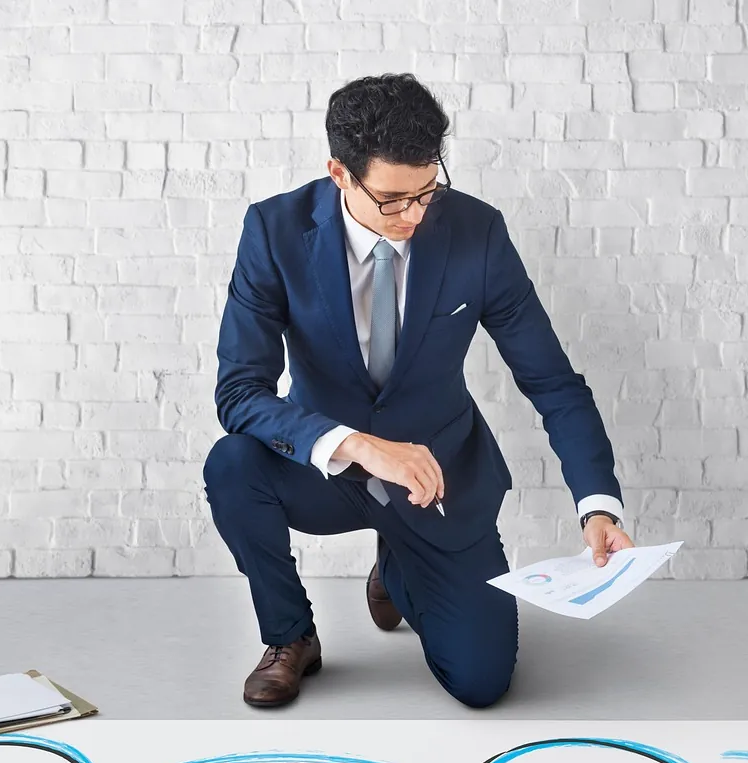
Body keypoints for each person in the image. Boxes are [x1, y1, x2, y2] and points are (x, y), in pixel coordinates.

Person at [204, 73, 634, 709]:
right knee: (232, 465)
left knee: (483, 683)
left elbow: (552, 382)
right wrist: (361, 445)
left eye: (427, 192)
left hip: (439, 480)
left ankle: (399, 566)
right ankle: (290, 635)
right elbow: (240, 391)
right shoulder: (273, 230)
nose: (413, 215)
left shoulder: (477, 233)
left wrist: (598, 503)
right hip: (328, 470)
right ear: (340, 174)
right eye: (393, 199)